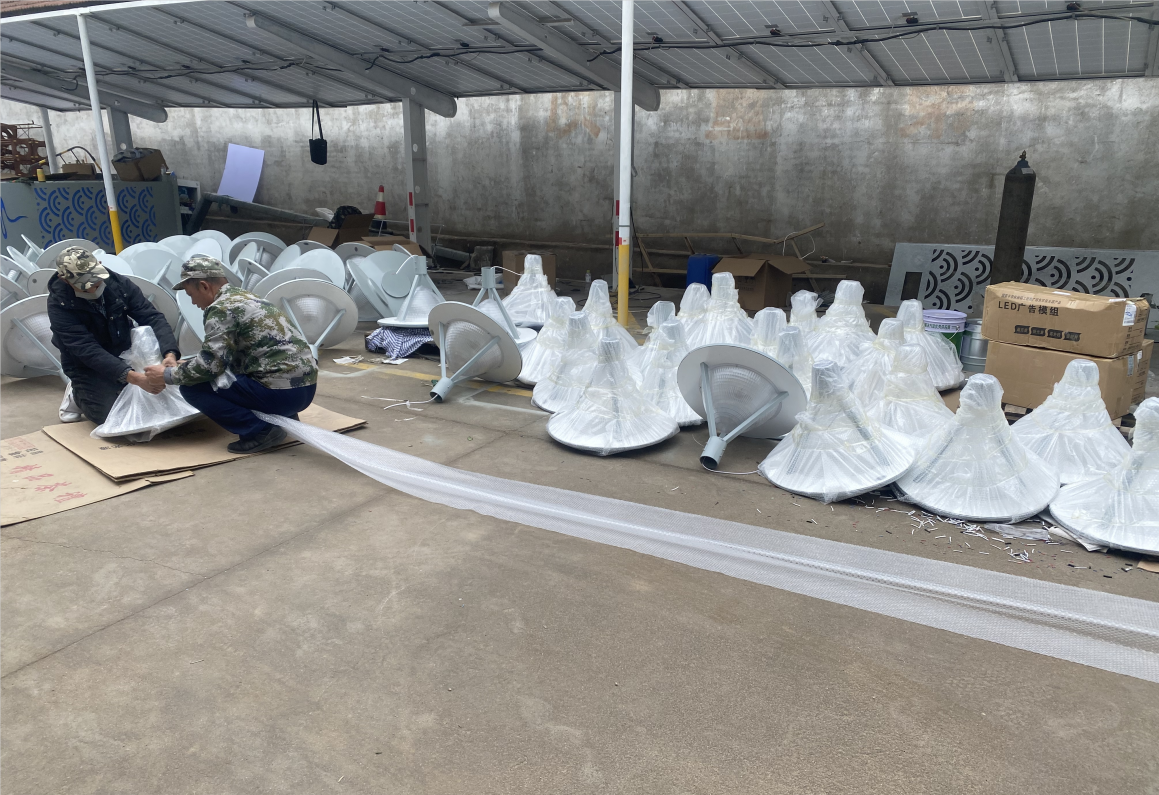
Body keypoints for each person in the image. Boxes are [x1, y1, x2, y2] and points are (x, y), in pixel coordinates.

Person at [144, 255, 318, 453]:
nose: (192, 302)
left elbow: (211, 367)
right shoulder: (246, 297)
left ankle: (260, 430)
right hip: (304, 389)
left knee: (192, 387)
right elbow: (228, 355)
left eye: (191, 294)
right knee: (219, 376)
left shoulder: (221, 308)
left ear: (204, 286)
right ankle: (283, 416)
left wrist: (167, 375)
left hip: (282, 394)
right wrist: (189, 365)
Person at [46, 247, 178, 424]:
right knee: (113, 418)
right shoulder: (59, 304)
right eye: (85, 285)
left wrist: (170, 353)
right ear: (65, 279)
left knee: (161, 405)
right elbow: (86, 349)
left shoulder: (119, 284)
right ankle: (77, 393)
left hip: (124, 351)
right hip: (85, 364)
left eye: (96, 281)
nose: (93, 288)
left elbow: (151, 317)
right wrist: (135, 378)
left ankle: (118, 383)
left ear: (99, 265)